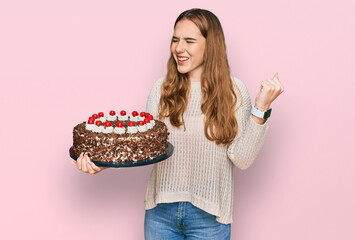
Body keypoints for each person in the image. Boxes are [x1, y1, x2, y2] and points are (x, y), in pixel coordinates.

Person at [73, 8, 284, 240]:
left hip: (210, 218)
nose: (178, 48)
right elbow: (146, 147)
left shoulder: (234, 91)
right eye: (175, 39)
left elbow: (242, 159)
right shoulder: (161, 89)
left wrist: (260, 108)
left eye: (189, 41)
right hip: (160, 215)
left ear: (210, 45)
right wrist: (104, 162)